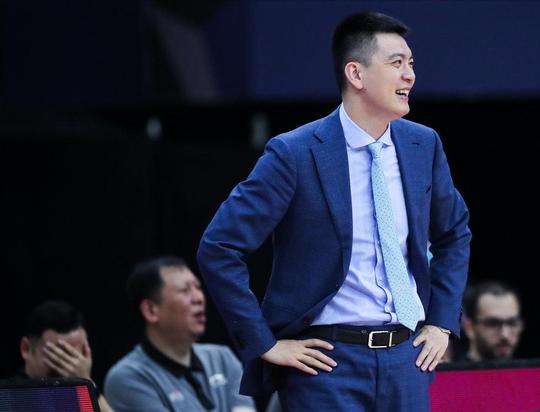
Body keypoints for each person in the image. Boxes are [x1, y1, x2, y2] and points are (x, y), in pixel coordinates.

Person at [197, 11, 471, 411]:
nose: (410, 75)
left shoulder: (422, 144)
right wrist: (265, 343)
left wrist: (442, 322)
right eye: (396, 63)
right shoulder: (295, 153)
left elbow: (454, 233)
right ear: (356, 74)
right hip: (327, 364)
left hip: (407, 357)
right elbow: (219, 246)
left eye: (411, 63)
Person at [104, 256, 255, 412]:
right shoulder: (129, 378)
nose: (199, 298)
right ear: (150, 310)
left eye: (198, 287)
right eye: (184, 290)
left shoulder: (222, 358)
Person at [18, 300, 114, 412]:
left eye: (74, 356)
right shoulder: (10, 399)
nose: (69, 369)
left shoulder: (83, 394)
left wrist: (86, 384)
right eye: (57, 356)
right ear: (26, 349)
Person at [460, 280, 524, 361]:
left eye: (512, 323)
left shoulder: (531, 368)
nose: (505, 335)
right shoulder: (450, 369)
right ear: (469, 328)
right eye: (493, 324)